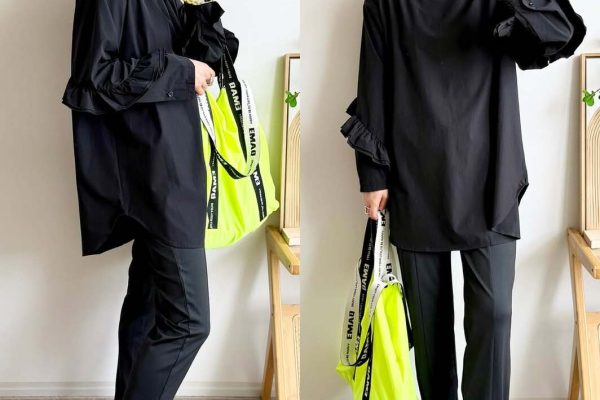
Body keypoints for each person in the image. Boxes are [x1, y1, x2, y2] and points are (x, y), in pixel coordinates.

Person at [341, 0, 529, 399]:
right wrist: (373, 173)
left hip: (491, 174)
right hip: (415, 172)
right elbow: (373, 81)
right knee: (430, 334)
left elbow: (554, 33)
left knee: (495, 314)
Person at [61, 1, 238, 398]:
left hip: (177, 161)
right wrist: (182, 71)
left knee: (150, 306)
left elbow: (213, 60)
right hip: (153, 174)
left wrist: (200, 12)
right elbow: (95, 74)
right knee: (189, 322)